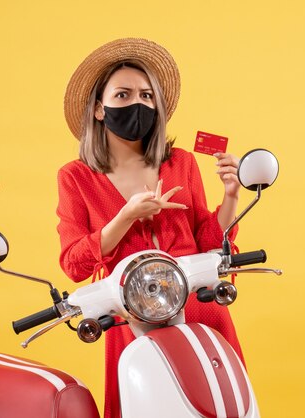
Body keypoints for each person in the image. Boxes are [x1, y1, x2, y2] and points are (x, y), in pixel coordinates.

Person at [57, 38, 243, 418]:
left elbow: (209, 243)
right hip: (130, 317)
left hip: (199, 306)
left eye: (146, 95)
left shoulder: (181, 163)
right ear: (98, 108)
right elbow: (75, 264)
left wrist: (231, 196)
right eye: (122, 95)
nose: (136, 104)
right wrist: (125, 216)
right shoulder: (76, 177)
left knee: (223, 404)